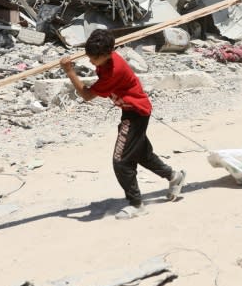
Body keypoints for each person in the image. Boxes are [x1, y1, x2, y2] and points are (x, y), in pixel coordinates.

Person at [59, 29, 186, 219]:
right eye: (89, 56)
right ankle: (174, 176)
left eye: (94, 58)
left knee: (121, 160)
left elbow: (86, 95)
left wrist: (70, 72)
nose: (91, 61)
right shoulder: (107, 58)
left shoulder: (113, 71)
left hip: (135, 113)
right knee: (141, 154)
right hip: (133, 110)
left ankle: (136, 204)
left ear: (107, 54)